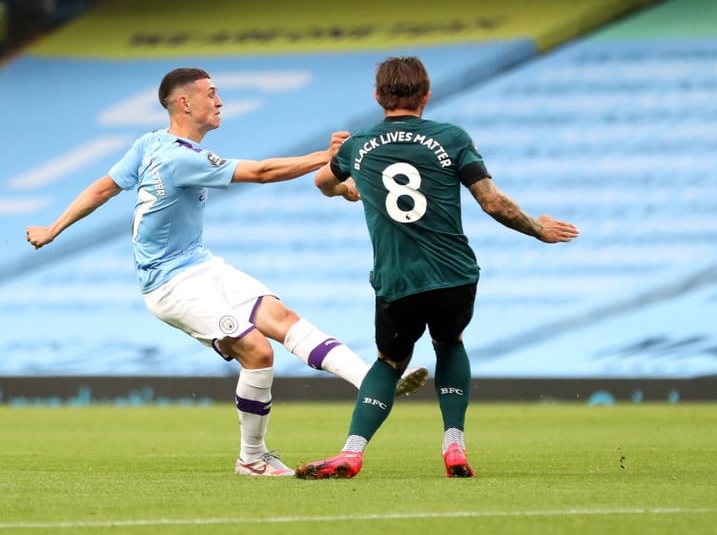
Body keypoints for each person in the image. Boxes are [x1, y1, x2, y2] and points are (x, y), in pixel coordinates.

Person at [25, 67, 428, 477]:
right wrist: (327, 158)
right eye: (212, 94)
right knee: (257, 351)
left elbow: (102, 187)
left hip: (201, 265)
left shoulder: (149, 144)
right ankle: (252, 459)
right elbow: (262, 173)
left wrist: (52, 229)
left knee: (281, 318)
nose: (219, 102)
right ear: (184, 103)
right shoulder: (179, 157)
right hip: (169, 284)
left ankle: (374, 383)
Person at [296, 56, 579, 479]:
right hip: (454, 275)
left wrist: (346, 186)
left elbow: (321, 182)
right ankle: (454, 447)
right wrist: (538, 229)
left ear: (377, 96)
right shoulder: (451, 137)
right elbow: (494, 202)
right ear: (427, 96)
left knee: (389, 363)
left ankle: (352, 452)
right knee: (450, 344)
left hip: (397, 279)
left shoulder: (359, 145)